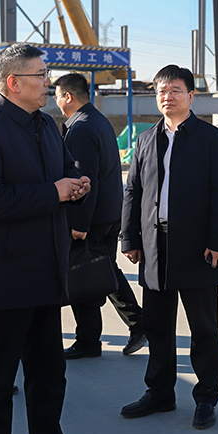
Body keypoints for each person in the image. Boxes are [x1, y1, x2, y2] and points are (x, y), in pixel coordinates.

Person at [0, 43, 90, 434]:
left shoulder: (44, 124)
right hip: (4, 281)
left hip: (46, 276)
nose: (48, 83)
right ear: (13, 82)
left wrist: (76, 185)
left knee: (49, 379)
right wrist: (53, 192)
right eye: (41, 75)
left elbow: (65, 169)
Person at [120, 64, 218, 430]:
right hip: (155, 246)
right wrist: (130, 237)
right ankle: (160, 393)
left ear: (191, 96)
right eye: (161, 91)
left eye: (175, 90)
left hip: (198, 248)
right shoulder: (145, 139)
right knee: (157, 325)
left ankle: (206, 397)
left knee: (203, 328)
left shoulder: (211, 138)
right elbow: (133, 191)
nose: (167, 97)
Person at [53, 73, 146, 358]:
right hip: (108, 213)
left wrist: (80, 223)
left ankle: (90, 340)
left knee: (84, 275)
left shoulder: (81, 128)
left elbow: (85, 180)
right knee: (102, 270)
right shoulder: (97, 120)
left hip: (91, 218)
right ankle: (136, 324)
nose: (55, 102)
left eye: (57, 96)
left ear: (68, 97)